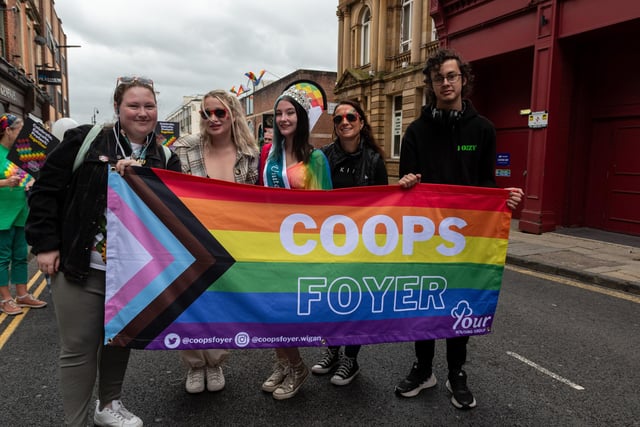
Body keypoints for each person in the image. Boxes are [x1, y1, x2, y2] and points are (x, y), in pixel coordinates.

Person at [26, 76, 181, 426]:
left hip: (133, 271)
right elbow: (44, 190)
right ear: (117, 108)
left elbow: (175, 211)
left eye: (149, 106)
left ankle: (108, 405)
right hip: (81, 264)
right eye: (134, 105)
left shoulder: (165, 156)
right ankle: (76, 420)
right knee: (79, 348)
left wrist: (148, 179)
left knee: (118, 340)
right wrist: (46, 245)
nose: (142, 113)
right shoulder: (86, 140)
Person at [396, 49, 524, 410]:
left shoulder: (481, 129)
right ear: (431, 84)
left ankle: (456, 372)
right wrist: (406, 181)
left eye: (452, 76)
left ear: (463, 80)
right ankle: (423, 369)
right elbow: (408, 184)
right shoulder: (416, 131)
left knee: (458, 304)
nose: (446, 83)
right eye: (439, 78)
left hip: (464, 237)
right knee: (423, 301)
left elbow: (485, 183)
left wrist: (503, 200)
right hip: (424, 236)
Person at [173, 89, 259, 394]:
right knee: (192, 305)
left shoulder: (251, 154)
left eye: (219, 112)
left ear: (233, 114)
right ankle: (196, 365)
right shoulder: (183, 149)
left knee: (220, 306)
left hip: (231, 244)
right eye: (206, 113)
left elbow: (260, 202)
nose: (212, 118)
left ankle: (216, 361)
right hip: (191, 242)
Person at [258, 87, 332, 400]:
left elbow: (327, 208)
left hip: (300, 247)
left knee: (286, 311)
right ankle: (284, 363)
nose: (283, 118)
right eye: (279, 113)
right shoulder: (269, 156)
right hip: (269, 244)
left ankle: (298, 366)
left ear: (301, 119)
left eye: (290, 113)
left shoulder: (315, 158)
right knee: (270, 310)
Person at [310, 100, 388, 386]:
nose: (344, 121)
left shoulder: (375, 161)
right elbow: (311, 200)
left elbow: (385, 208)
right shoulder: (322, 157)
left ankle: (351, 360)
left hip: (362, 247)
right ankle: (332, 350)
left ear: (361, 122)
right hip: (329, 245)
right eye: (339, 118)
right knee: (332, 300)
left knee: (356, 302)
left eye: (351, 116)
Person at [0, 114, 47, 315]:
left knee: (20, 256)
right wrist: (4, 183)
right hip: (3, 214)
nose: (22, 135)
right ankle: (5, 299)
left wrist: (32, 182)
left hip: (21, 212)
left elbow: (32, 174)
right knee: (2, 258)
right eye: (19, 130)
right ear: (7, 130)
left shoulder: (22, 152)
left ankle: (22, 294)